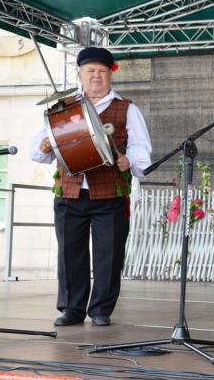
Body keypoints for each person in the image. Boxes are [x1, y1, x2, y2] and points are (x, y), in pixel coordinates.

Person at [30, 47, 152, 326]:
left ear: (110, 75)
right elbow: (38, 153)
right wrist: (45, 144)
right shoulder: (62, 108)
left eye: (101, 71)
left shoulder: (127, 108)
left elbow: (142, 151)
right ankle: (71, 309)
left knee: (108, 255)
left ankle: (100, 310)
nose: (96, 76)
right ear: (80, 75)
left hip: (109, 195)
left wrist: (128, 160)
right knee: (69, 253)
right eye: (90, 71)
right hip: (70, 193)